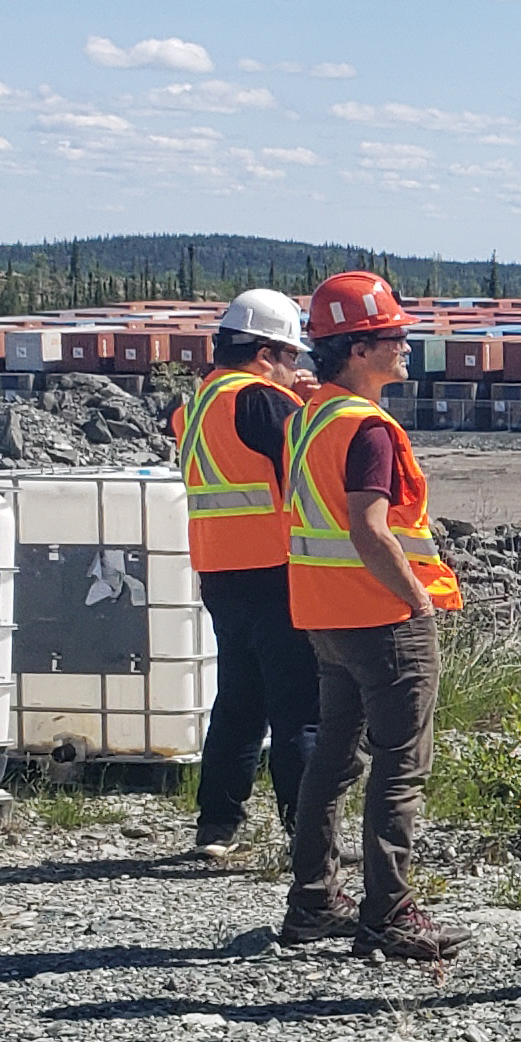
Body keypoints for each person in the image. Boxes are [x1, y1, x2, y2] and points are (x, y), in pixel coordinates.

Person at [278, 271, 466, 961]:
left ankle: (314, 900)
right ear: (359, 349)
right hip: (382, 616)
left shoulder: (312, 416)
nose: (406, 344)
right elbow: (368, 527)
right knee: (400, 766)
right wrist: (416, 598)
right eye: (395, 336)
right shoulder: (368, 429)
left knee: (331, 760)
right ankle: (387, 912)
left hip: (323, 614)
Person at [173, 288, 320, 860]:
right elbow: (309, 468)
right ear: (265, 353)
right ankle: (307, 833)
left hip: (219, 570)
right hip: (276, 567)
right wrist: (305, 408)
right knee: (299, 709)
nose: (297, 368)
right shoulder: (261, 402)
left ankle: (217, 826)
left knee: (239, 702)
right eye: (291, 357)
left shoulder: (195, 407)